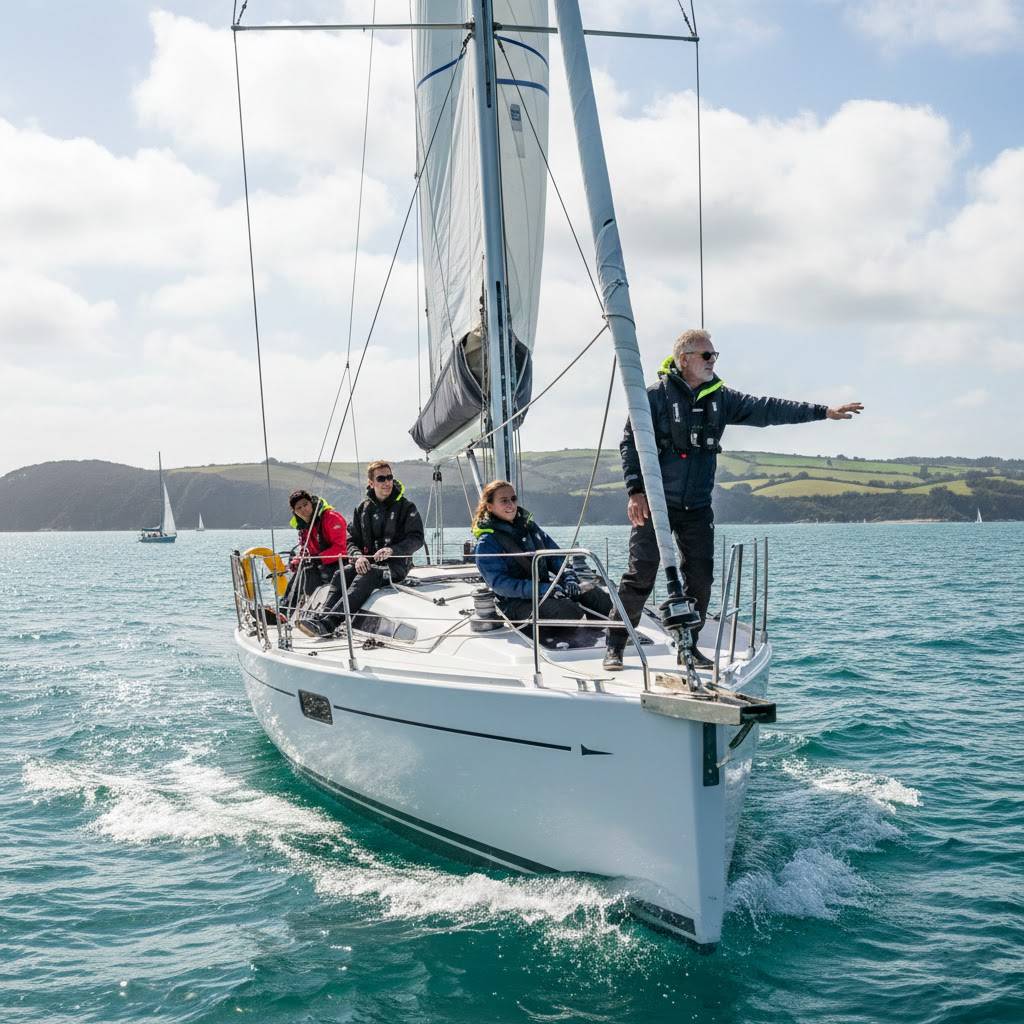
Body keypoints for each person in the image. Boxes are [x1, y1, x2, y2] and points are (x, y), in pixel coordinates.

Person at [603, 329, 864, 671]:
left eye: (715, 356)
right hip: (656, 504)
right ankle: (615, 645)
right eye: (707, 356)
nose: (713, 362)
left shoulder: (720, 398)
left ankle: (688, 646)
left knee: (700, 579)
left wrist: (823, 411)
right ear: (684, 360)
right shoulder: (653, 397)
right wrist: (635, 490)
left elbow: (768, 409)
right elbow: (629, 443)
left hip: (696, 507)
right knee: (641, 576)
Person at [473, 480, 614, 648]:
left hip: (547, 590)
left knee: (602, 602)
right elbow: (500, 584)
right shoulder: (487, 543)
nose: (511, 504)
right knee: (568, 612)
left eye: (513, 498)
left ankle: (609, 637)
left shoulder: (531, 528)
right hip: (514, 602)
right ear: (489, 506)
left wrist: (568, 578)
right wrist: (542, 589)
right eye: (504, 500)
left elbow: (557, 557)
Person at [296, 461, 424, 638]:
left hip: (396, 566)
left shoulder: (406, 507)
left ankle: (329, 623)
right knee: (342, 573)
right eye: (381, 478)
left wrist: (392, 550)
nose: (387, 482)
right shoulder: (362, 509)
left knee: (368, 574)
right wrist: (357, 557)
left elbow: (417, 538)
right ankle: (321, 617)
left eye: (389, 477)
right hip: (368, 563)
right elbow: (350, 540)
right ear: (371, 483)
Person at [280, 489, 348, 616]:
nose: (303, 509)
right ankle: (284, 611)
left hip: (337, 563)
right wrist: (296, 560)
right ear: (295, 512)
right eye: (298, 508)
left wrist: (317, 558)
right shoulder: (304, 526)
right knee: (303, 568)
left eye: (305, 504)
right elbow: (305, 549)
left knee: (307, 569)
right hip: (318, 563)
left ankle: (291, 610)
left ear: (311, 503)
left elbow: (341, 548)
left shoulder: (331, 518)